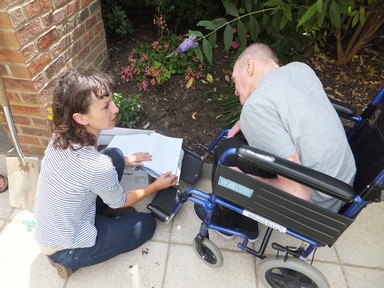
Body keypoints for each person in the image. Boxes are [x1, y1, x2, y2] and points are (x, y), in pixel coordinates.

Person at [194, 43, 356, 242]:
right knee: (242, 143)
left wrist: (245, 180)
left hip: (316, 204)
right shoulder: (299, 69)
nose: (235, 91)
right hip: (341, 184)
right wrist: (248, 119)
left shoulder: (257, 107)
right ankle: (247, 224)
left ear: (249, 65)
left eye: (235, 80)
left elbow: (298, 194)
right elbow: (294, 108)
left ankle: (224, 223)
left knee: (228, 152)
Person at [34, 68, 178, 279]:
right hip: (66, 247)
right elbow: (120, 201)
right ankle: (67, 261)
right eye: (106, 106)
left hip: (61, 222)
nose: (115, 108)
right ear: (80, 118)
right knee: (146, 225)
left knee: (116, 154)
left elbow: (92, 171)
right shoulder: (96, 166)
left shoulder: (59, 138)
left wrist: (125, 161)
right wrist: (156, 186)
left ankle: (102, 214)